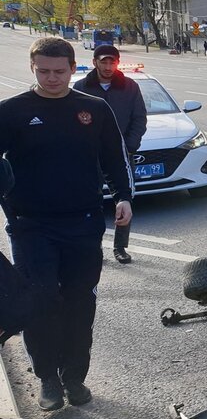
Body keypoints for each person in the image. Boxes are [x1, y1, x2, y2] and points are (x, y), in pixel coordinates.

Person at [0, 38, 133, 410]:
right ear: (32, 68)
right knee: (40, 302)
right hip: (31, 226)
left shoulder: (94, 109)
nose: (52, 78)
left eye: (59, 71)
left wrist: (123, 196)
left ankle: (74, 377)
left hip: (84, 223)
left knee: (80, 303)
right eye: (43, 71)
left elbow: (115, 158)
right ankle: (48, 379)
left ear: (73, 68)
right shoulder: (11, 111)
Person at [74, 44, 147, 264]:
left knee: (124, 198)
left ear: (117, 63)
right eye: (103, 62)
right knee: (91, 199)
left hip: (121, 153)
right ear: (94, 62)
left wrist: (130, 146)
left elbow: (139, 118)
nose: (108, 67)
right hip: (90, 154)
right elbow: (72, 121)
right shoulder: (81, 87)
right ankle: (94, 246)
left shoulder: (130, 86)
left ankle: (120, 247)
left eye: (112, 62)